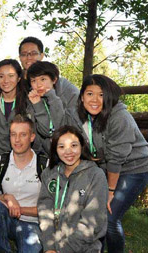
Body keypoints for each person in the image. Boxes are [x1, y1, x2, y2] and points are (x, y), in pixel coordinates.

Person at [65, 74, 148, 252]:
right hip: (106, 167)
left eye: (101, 95)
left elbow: (116, 157)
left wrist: (110, 191)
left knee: (109, 217)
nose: (95, 100)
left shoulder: (119, 117)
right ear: (82, 96)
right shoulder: (79, 114)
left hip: (135, 168)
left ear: (108, 96)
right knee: (94, 215)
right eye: (90, 94)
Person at [38, 125, 108, 252]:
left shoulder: (95, 176)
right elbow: (45, 213)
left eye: (74, 145)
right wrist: (49, 248)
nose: (68, 151)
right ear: (55, 150)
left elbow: (91, 223)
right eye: (61, 146)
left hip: (84, 248)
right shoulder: (49, 174)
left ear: (82, 146)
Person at [0, 115, 43, 253]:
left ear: (32, 137)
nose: (17, 140)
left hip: (32, 223)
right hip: (7, 221)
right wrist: (8, 197)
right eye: (13, 134)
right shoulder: (1, 162)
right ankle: (4, 249)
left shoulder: (43, 165)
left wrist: (19, 209)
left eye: (23, 135)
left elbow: (50, 208)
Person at [27, 61, 79, 154]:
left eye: (43, 79)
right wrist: (37, 104)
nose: (38, 85)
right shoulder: (32, 100)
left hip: (70, 151)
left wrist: (52, 96)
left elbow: (60, 128)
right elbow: (46, 131)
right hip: (45, 155)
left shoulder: (67, 97)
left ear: (54, 80)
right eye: (34, 81)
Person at [0, 59, 37, 156]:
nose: (6, 81)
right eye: (1, 76)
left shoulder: (30, 101)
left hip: (25, 159)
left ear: (19, 78)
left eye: (11, 76)